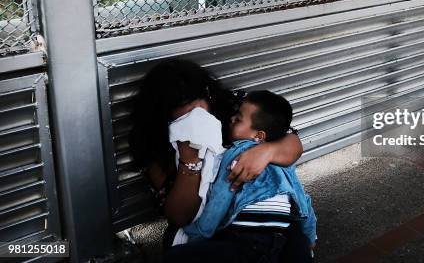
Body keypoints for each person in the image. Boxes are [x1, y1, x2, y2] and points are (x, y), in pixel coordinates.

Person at [128, 60, 308, 256]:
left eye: (197, 108)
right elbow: (180, 217)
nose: (195, 118)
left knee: (291, 241)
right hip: (212, 225)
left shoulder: (231, 112)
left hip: (261, 214)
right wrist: (190, 162)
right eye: (183, 116)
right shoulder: (155, 149)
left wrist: (266, 151)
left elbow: (292, 142)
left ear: (208, 96)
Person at [164, 90, 316, 263]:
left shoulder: (234, 155)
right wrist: (310, 236)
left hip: (248, 242)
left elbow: (220, 198)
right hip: (281, 234)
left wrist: (200, 232)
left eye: (238, 119)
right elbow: (302, 199)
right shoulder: (283, 161)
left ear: (258, 136)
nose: (231, 119)